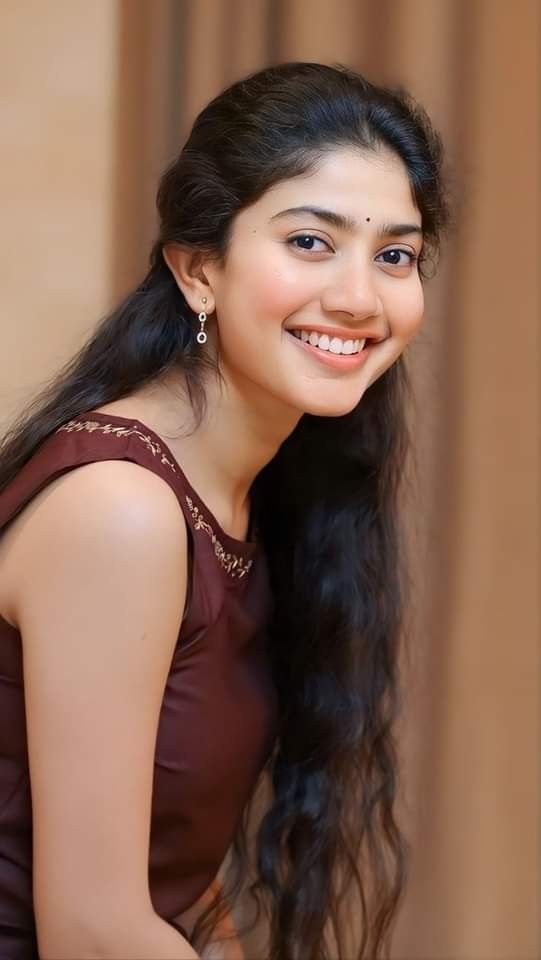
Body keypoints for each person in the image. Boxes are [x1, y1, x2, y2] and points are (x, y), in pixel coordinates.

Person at [0, 61, 451, 960]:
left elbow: (178, 874)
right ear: (198, 269)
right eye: (310, 243)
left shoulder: (253, 489)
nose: (359, 297)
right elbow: (90, 929)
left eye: (394, 254)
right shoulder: (120, 509)